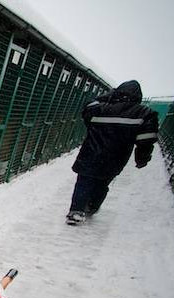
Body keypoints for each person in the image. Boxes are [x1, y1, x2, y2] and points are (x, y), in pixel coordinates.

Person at [66, 80, 159, 225]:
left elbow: (88, 106)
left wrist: (109, 96)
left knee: (83, 182)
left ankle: (76, 211)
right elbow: (146, 140)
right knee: (102, 183)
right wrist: (142, 159)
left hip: (91, 153)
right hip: (116, 157)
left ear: (116, 93)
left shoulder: (100, 109)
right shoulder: (144, 113)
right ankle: (92, 206)